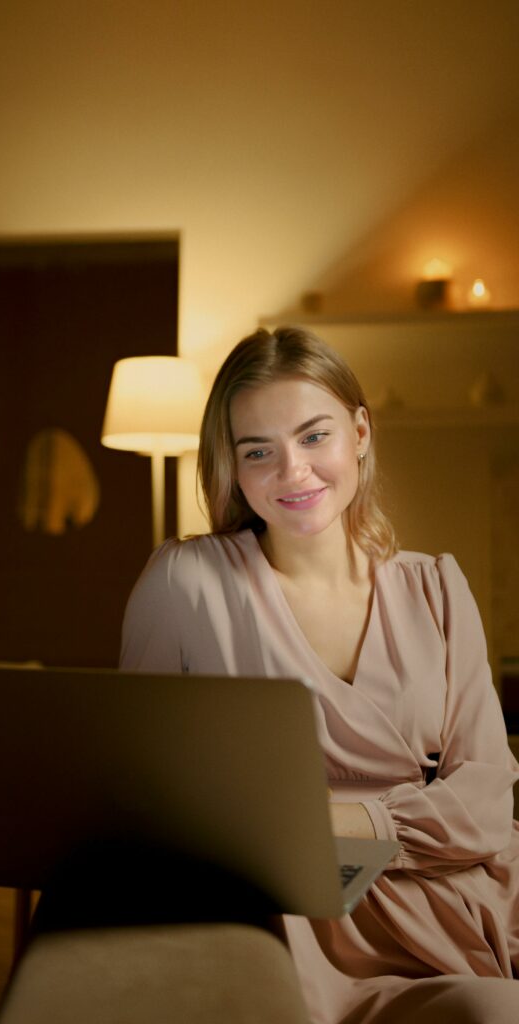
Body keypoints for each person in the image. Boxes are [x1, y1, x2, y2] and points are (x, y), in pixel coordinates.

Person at [120, 326, 519, 1023]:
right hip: (279, 917)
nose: (293, 472)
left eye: (313, 436)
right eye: (258, 452)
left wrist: (331, 821)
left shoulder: (437, 587)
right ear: (233, 465)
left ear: (360, 432)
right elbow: (141, 789)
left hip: (444, 907)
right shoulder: (184, 584)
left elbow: (486, 803)